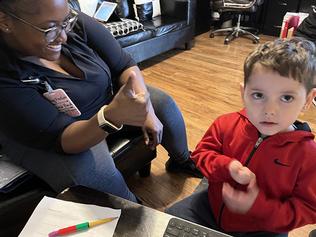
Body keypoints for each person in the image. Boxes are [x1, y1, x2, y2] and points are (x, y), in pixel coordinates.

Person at [0, 0, 202, 203]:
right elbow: (63, 138)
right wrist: (110, 116)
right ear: (5, 21)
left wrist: (146, 108)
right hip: (59, 135)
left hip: (106, 104)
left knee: (163, 105)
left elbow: (125, 64)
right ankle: (130, 214)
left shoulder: (74, 23)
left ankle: (182, 160)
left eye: (65, 23)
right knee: (93, 175)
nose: (63, 36)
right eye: (50, 29)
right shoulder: (6, 75)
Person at [166, 37, 316, 236]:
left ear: (307, 101)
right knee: (167, 222)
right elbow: (201, 154)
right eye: (258, 95)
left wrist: (258, 206)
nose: (270, 110)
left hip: (265, 226)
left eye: (286, 97)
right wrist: (227, 167)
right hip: (209, 208)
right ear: (243, 92)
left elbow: (307, 208)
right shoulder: (225, 124)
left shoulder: (307, 155)